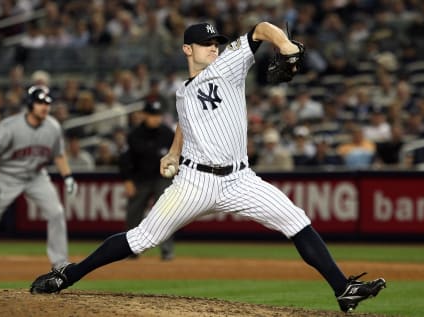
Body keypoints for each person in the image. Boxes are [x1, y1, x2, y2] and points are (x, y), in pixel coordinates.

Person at [29, 22, 386, 313]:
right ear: (188, 49)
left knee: (296, 220)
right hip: (194, 181)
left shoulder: (228, 66)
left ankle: (343, 289)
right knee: (142, 238)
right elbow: (187, 123)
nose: (213, 47)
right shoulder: (182, 91)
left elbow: (261, 28)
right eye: (205, 43)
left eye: (216, 42)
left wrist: (286, 45)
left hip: (240, 179)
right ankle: (69, 276)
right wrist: (171, 153)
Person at [0, 85, 77, 280]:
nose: (44, 107)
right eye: (40, 103)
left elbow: (59, 155)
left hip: (36, 176)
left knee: (56, 213)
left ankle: (60, 263)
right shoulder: (10, 126)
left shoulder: (53, 127)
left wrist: (68, 176)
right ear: (30, 104)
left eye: (47, 103)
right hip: (7, 177)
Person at [119, 101, 175, 260]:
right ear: (144, 115)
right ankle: (130, 249)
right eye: (152, 115)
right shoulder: (134, 134)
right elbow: (124, 160)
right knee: (133, 214)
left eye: (158, 115)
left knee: (166, 213)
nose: (156, 119)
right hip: (140, 179)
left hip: (161, 179)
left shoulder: (167, 133)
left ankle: (167, 250)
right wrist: (127, 180)